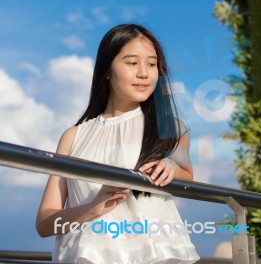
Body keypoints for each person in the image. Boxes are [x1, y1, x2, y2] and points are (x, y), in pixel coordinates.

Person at [36, 23, 200, 264]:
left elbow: (187, 175)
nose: (144, 73)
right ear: (107, 70)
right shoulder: (73, 136)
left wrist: (171, 170)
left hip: (157, 254)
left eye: (152, 64)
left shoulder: (171, 127)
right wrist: (91, 208)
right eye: (132, 63)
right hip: (88, 255)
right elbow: (44, 222)